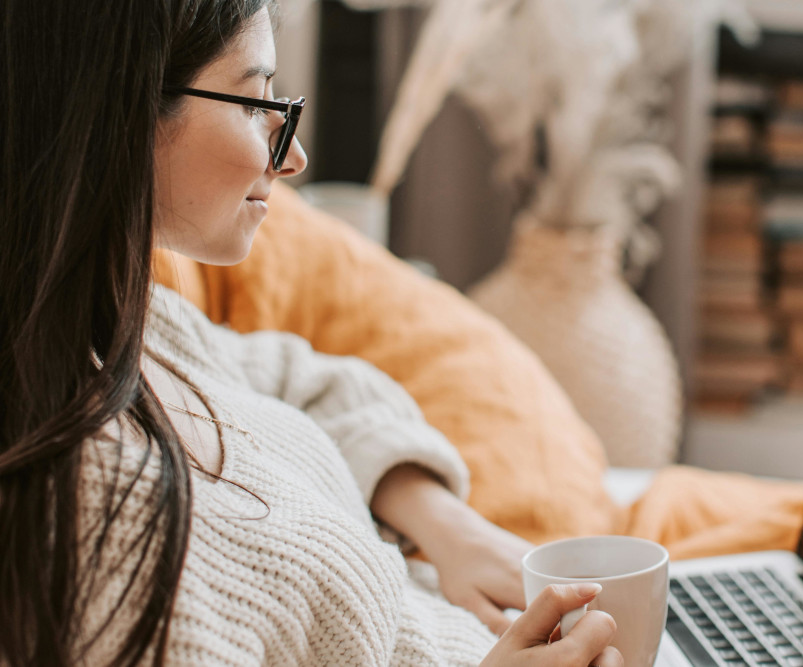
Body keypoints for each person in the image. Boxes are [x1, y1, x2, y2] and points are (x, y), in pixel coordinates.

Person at [0, 1, 623, 665]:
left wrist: (447, 526)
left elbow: (307, 381)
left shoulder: (117, 327)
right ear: (117, 113)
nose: (292, 156)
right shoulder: (107, 529)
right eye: (253, 102)